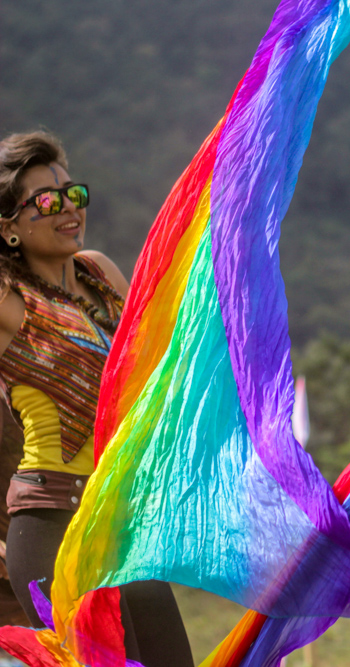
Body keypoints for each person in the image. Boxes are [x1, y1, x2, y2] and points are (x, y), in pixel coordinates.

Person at [0, 131, 194, 666]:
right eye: (45, 200)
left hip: (119, 521)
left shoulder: (99, 272)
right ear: (8, 227)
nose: (67, 208)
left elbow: (148, 373)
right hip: (49, 526)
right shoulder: (9, 302)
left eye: (72, 193)